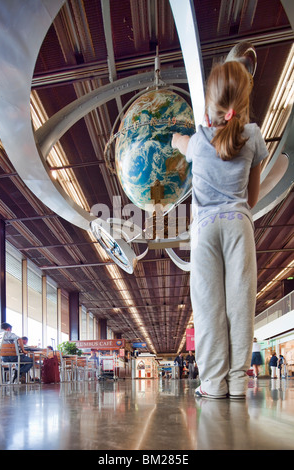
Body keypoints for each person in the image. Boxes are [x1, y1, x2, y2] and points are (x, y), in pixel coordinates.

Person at [172, 60, 268, 399]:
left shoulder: (197, 143)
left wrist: (175, 138)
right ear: (241, 104)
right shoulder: (253, 137)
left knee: (208, 306)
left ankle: (212, 384)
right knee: (240, 303)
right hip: (238, 225)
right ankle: (239, 382)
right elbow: (252, 198)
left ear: (209, 103)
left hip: (204, 230)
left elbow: (179, 142)